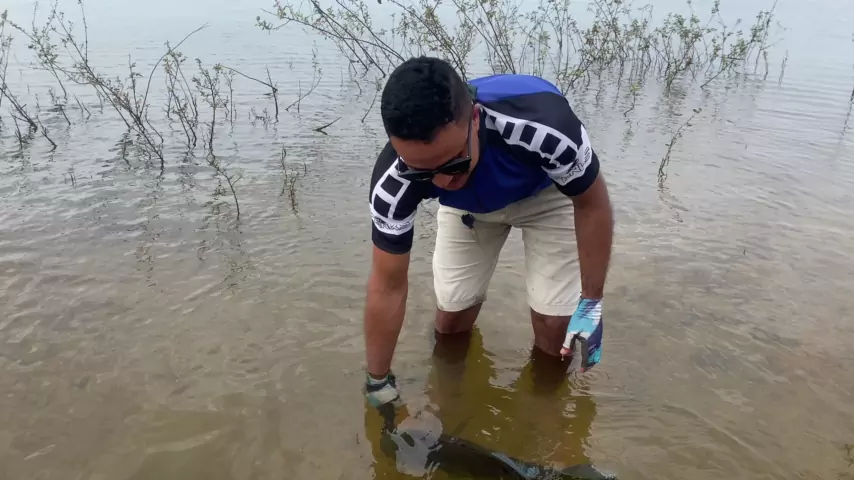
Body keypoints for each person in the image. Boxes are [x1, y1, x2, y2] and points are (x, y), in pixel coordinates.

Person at [363, 56, 614, 410]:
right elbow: (387, 286)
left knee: (554, 323)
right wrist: (378, 382)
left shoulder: (545, 128)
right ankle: (453, 404)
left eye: (453, 163)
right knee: (451, 315)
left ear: (475, 119)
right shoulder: (395, 182)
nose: (441, 182)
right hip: (468, 207)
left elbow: (592, 205)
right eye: (423, 174)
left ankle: (544, 410)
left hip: (547, 193)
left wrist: (591, 301)